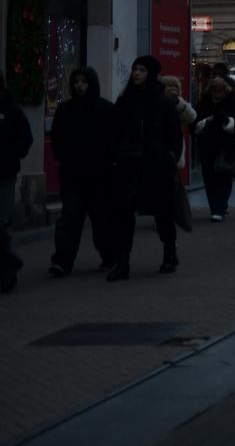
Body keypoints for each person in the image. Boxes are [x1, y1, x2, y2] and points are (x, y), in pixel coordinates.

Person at [106, 55, 183, 279]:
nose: (137, 74)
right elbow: (115, 130)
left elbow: (174, 134)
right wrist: (116, 153)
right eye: (134, 69)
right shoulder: (126, 100)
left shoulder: (164, 100)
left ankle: (169, 252)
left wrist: (170, 156)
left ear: (151, 73)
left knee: (163, 213)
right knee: (123, 213)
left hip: (156, 164)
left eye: (141, 70)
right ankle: (122, 261)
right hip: (128, 163)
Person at [47, 67, 116, 277]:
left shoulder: (106, 109)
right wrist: (64, 156)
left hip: (99, 176)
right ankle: (62, 261)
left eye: (84, 82)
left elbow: (114, 140)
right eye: (76, 82)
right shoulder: (65, 109)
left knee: (102, 219)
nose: (79, 86)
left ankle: (109, 256)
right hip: (72, 175)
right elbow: (57, 138)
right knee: (69, 218)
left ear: (92, 84)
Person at [192, 74, 235, 220]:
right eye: (215, 91)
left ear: (225, 91)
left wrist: (227, 122)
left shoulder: (232, 104)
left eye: (220, 91)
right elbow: (194, 124)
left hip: (225, 146)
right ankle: (216, 208)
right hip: (208, 146)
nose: (217, 94)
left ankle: (220, 207)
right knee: (210, 178)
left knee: (224, 177)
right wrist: (207, 122)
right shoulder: (204, 104)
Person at [0, 78, 36, 294]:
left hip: (3, 173)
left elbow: (26, 139)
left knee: (2, 223)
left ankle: (7, 268)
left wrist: (9, 155)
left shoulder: (11, 111)